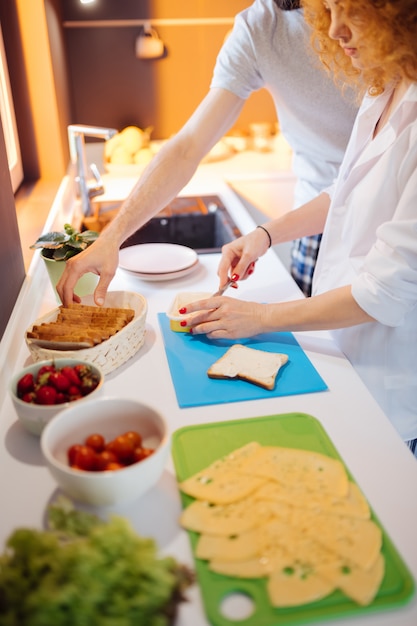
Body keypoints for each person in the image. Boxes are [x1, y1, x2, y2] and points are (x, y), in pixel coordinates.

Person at [179, 0, 417, 456]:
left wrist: (260, 317)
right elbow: (342, 190)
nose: (336, 31)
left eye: (352, 12)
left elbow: (383, 293)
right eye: (327, 10)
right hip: (345, 346)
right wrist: (263, 235)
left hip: (394, 377)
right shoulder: (384, 88)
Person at [57, 0, 358, 304]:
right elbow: (187, 146)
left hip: (392, 212)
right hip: (313, 221)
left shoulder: (379, 27)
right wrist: (111, 237)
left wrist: (261, 315)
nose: (337, 29)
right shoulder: (259, 27)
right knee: (322, 346)